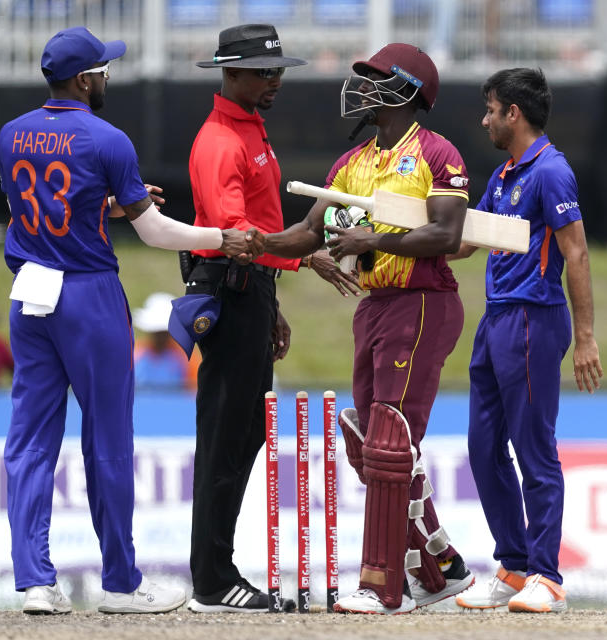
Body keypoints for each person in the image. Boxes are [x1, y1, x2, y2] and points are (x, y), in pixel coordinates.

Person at [0, 26, 257, 616]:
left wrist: (105, 203)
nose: (108, 77)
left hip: (30, 294)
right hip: (87, 297)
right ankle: (120, 582)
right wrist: (225, 238)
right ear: (85, 79)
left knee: (30, 442)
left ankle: (35, 582)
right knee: (108, 439)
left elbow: (33, 208)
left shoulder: (11, 134)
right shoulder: (108, 138)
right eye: (103, 70)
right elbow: (156, 232)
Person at [264, 43, 476, 615]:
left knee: (388, 438)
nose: (362, 86)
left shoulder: (437, 153)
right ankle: (440, 569)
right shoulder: (352, 162)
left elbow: (448, 235)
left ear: (408, 89)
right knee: (374, 443)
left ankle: (382, 587)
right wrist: (249, 243)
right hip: (375, 305)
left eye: (375, 77)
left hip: (424, 300)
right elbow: (309, 232)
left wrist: (370, 241)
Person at [182, 23, 352, 614]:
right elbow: (236, 239)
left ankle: (218, 570)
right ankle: (210, 580)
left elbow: (256, 240)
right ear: (230, 72)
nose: (275, 79)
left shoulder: (251, 130)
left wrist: (275, 295)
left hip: (251, 292)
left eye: (278, 70)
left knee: (247, 433)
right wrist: (310, 247)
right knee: (226, 435)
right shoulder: (221, 140)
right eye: (263, 71)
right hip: (229, 293)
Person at [448, 68, 603, 614]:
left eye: (491, 109)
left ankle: (548, 576)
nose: (484, 119)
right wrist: (394, 237)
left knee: (533, 450)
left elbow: (577, 253)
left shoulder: (551, 172)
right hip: (495, 321)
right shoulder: (505, 173)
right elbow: (468, 241)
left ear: (514, 112)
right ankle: (514, 567)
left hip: (535, 319)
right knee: (483, 448)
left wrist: (585, 338)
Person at [133, 291, 198, 390]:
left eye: (164, 332)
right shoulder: (135, 354)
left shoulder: (185, 358)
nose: (160, 337)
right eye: (157, 332)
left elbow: (195, 390)